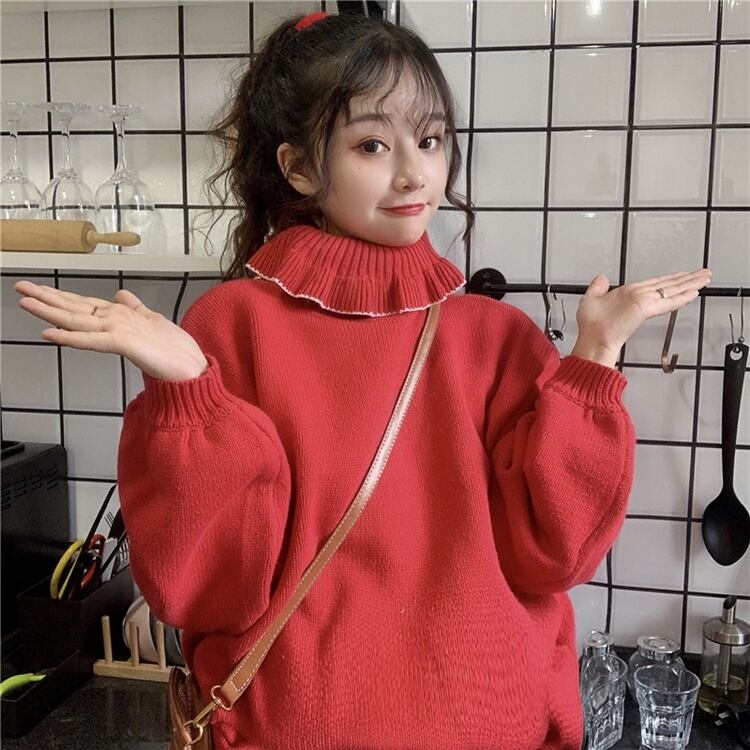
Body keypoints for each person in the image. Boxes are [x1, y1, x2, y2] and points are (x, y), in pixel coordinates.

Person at [15, 11, 711, 750]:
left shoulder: (497, 338)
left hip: (495, 724)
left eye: (431, 140)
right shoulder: (232, 328)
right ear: (299, 168)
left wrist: (595, 357)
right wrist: (188, 389)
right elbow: (205, 589)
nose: (415, 173)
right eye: (373, 144)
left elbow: (555, 555)